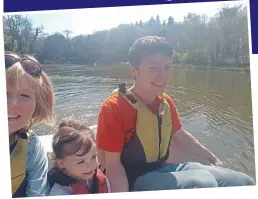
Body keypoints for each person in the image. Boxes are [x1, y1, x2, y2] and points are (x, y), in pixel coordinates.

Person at [96, 36, 255, 192]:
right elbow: (113, 165)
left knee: (242, 181)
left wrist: (211, 156)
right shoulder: (114, 108)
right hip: (135, 178)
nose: (163, 76)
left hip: (163, 167)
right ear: (133, 70)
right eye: (153, 68)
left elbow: (180, 134)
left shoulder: (165, 101)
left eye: (167, 67)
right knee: (203, 183)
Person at [5, 51, 55, 197]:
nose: (12, 103)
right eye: (4, 92)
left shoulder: (31, 148)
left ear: (37, 105)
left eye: (25, 95)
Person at [47, 118, 111, 195]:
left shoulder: (101, 180)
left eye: (93, 157)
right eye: (81, 161)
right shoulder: (59, 191)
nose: (89, 166)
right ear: (62, 163)